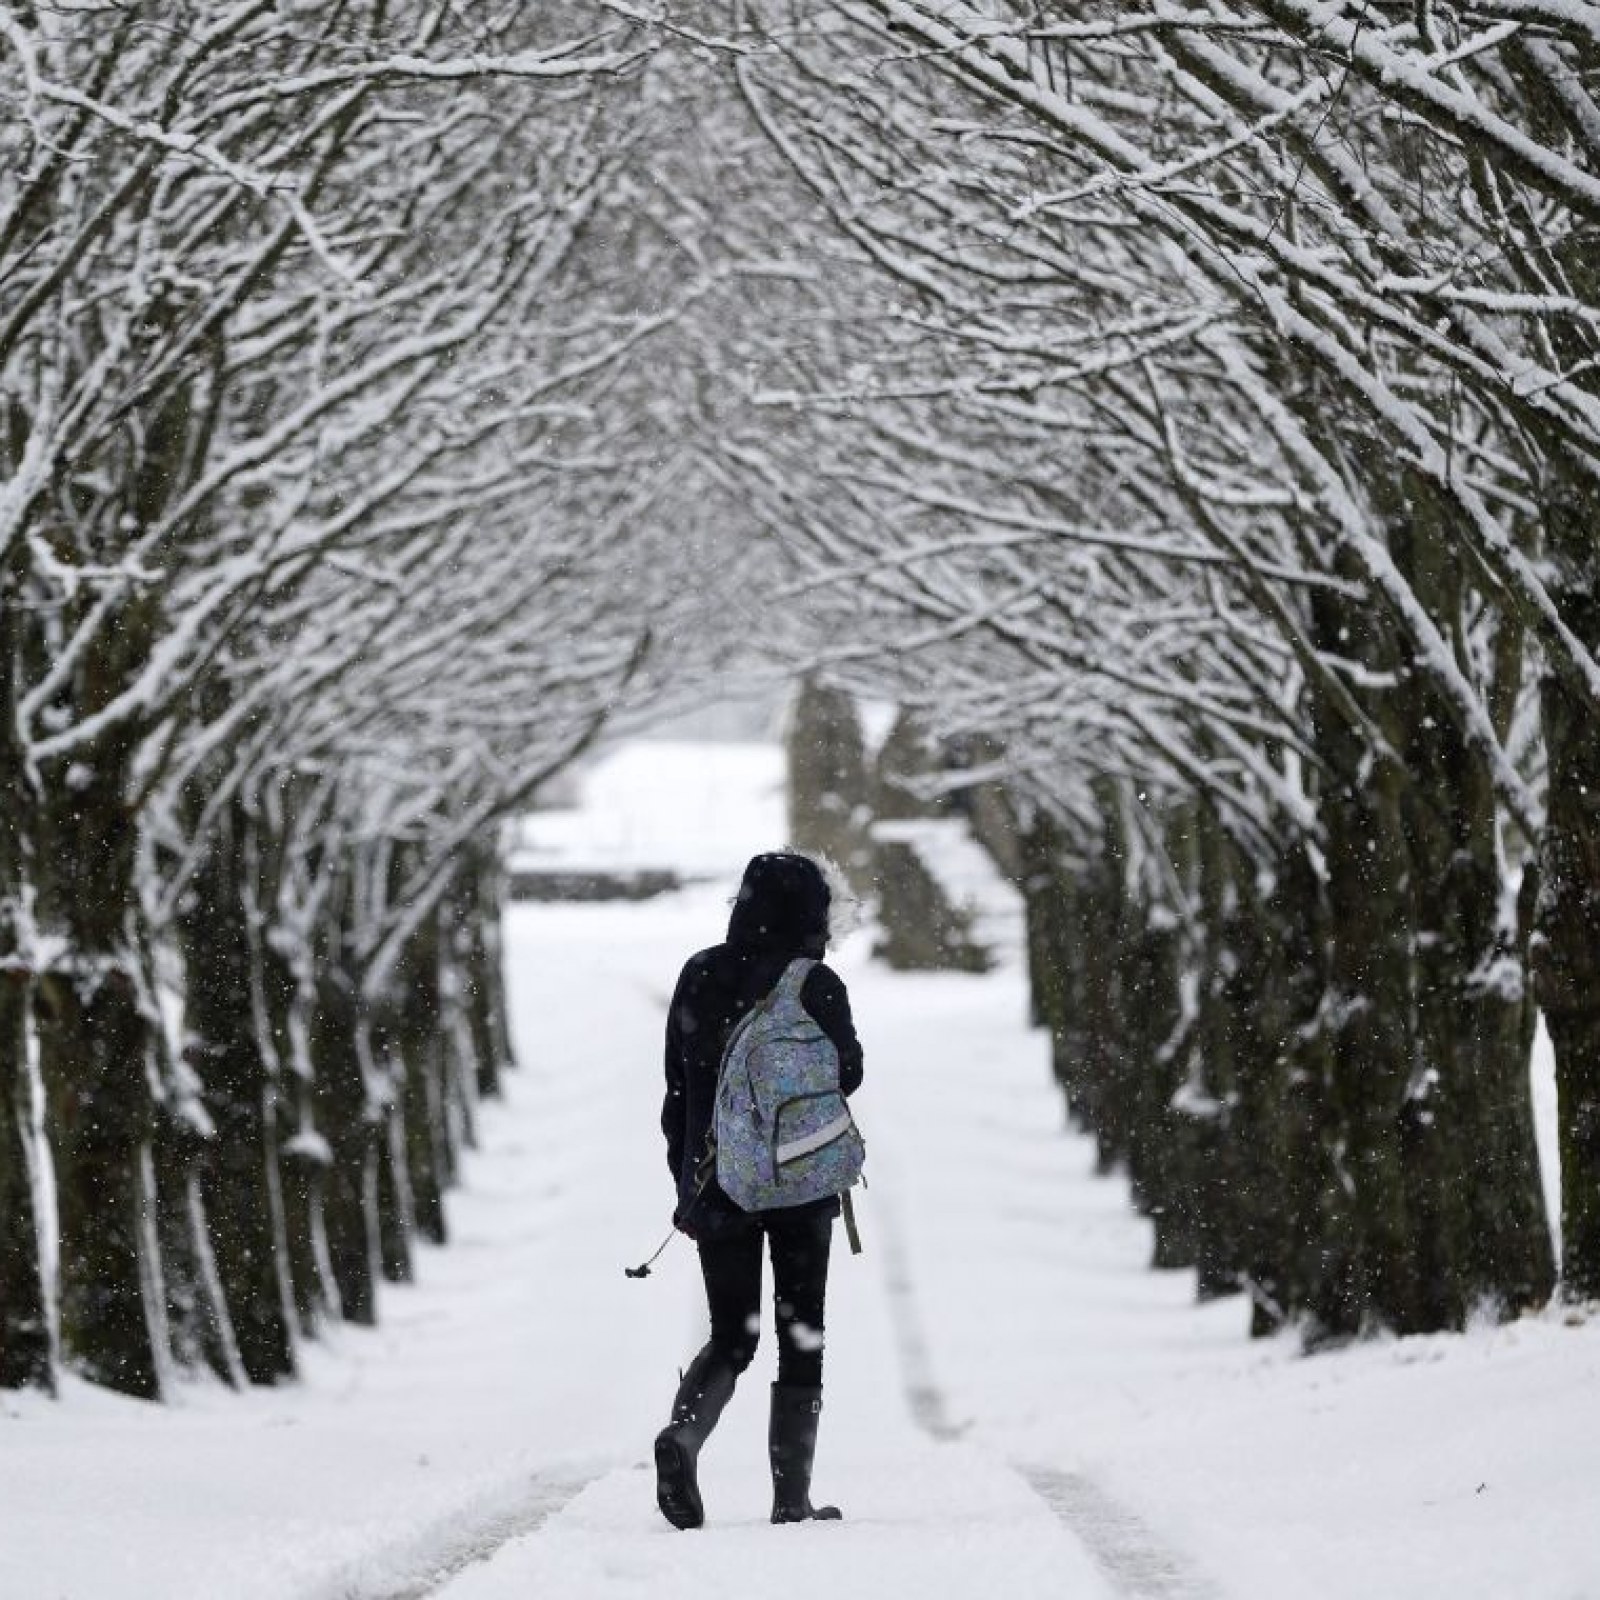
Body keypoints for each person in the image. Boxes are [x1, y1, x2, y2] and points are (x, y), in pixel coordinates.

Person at [654, 850, 864, 1531]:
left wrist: (688, 1181)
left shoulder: (699, 973)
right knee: (801, 1331)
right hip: (801, 1183)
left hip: (718, 1184)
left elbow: (677, 1089)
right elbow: (848, 1073)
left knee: (731, 1333)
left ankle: (683, 1437)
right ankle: (791, 1499)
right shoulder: (815, 982)